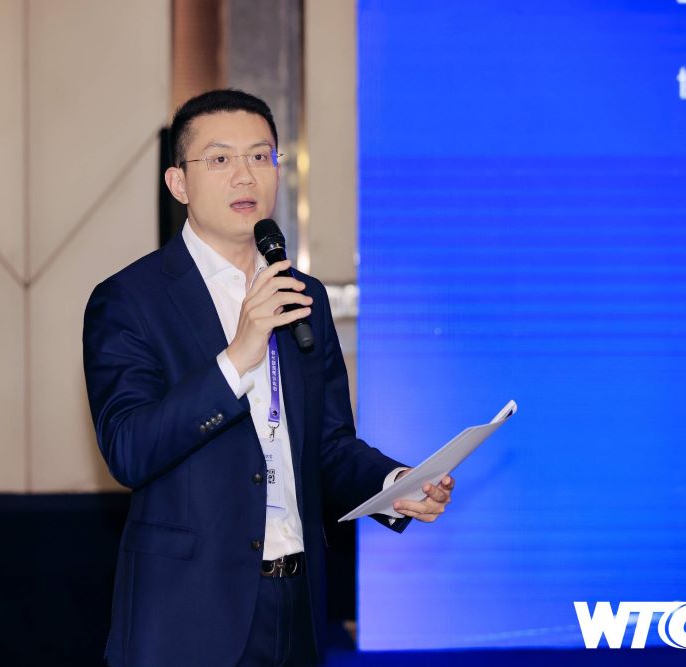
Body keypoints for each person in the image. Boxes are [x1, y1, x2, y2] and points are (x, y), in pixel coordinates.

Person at [83, 89, 455, 667]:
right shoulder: (129, 300)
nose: (245, 175)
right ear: (178, 183)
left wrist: (395, 484)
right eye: (220, 159)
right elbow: (129, 450)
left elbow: (328, 446)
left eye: (261, 156)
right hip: (188, 616)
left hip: (297, 607)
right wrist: (237, 356)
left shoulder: (304, 296)